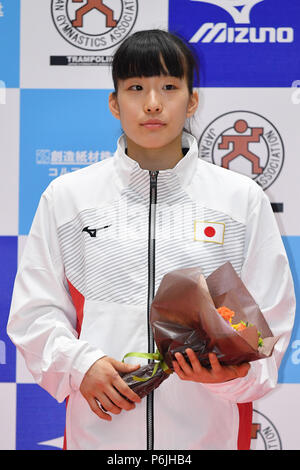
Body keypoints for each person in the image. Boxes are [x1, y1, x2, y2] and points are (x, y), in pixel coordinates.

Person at [7, 29, 295, 451]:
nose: (153, 103)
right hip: (100, 436)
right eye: (136, 87)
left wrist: (234, 376)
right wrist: (81, 364)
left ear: (192, 100)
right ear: (114, 103)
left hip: (207, 437)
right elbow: (34, 313)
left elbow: (269, 323)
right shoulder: (69, 198)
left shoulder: (240, 199)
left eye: (169, 87)